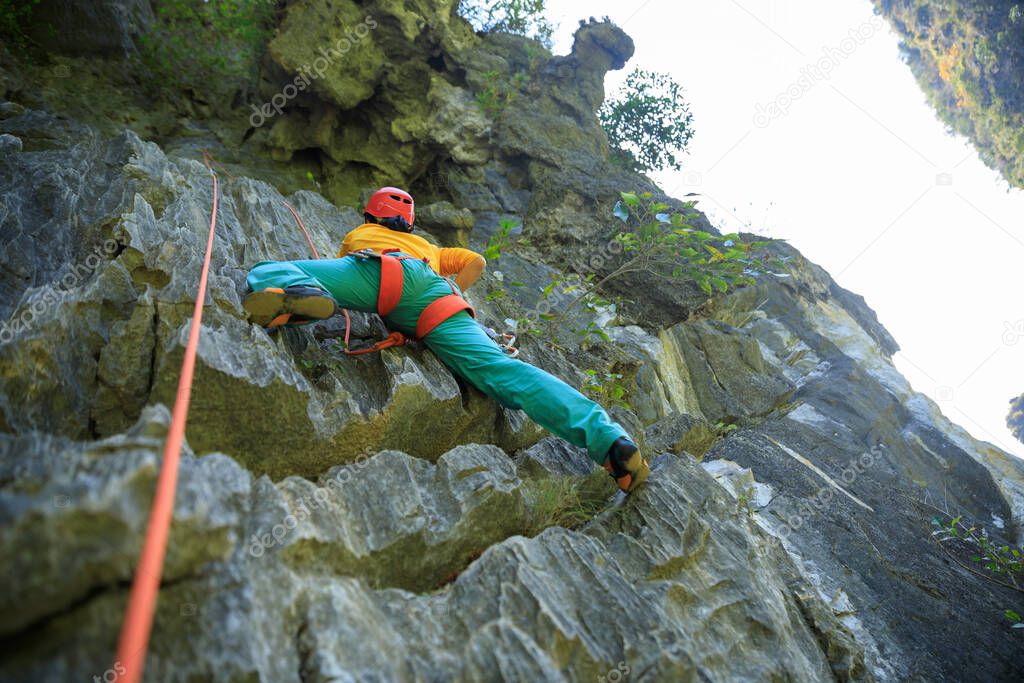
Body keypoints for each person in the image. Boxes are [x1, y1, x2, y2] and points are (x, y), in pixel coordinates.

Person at [243, 187, 650, 493]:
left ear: (372, 215)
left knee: (270, 268)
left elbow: (347, 260)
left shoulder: (361, 233)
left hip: (380, 273)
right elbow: (476, 261)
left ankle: (294, 294)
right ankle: (611, 441)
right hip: (439, 297)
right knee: (504, 372)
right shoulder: (429, 247)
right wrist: (451, 288)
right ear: (408, 221)